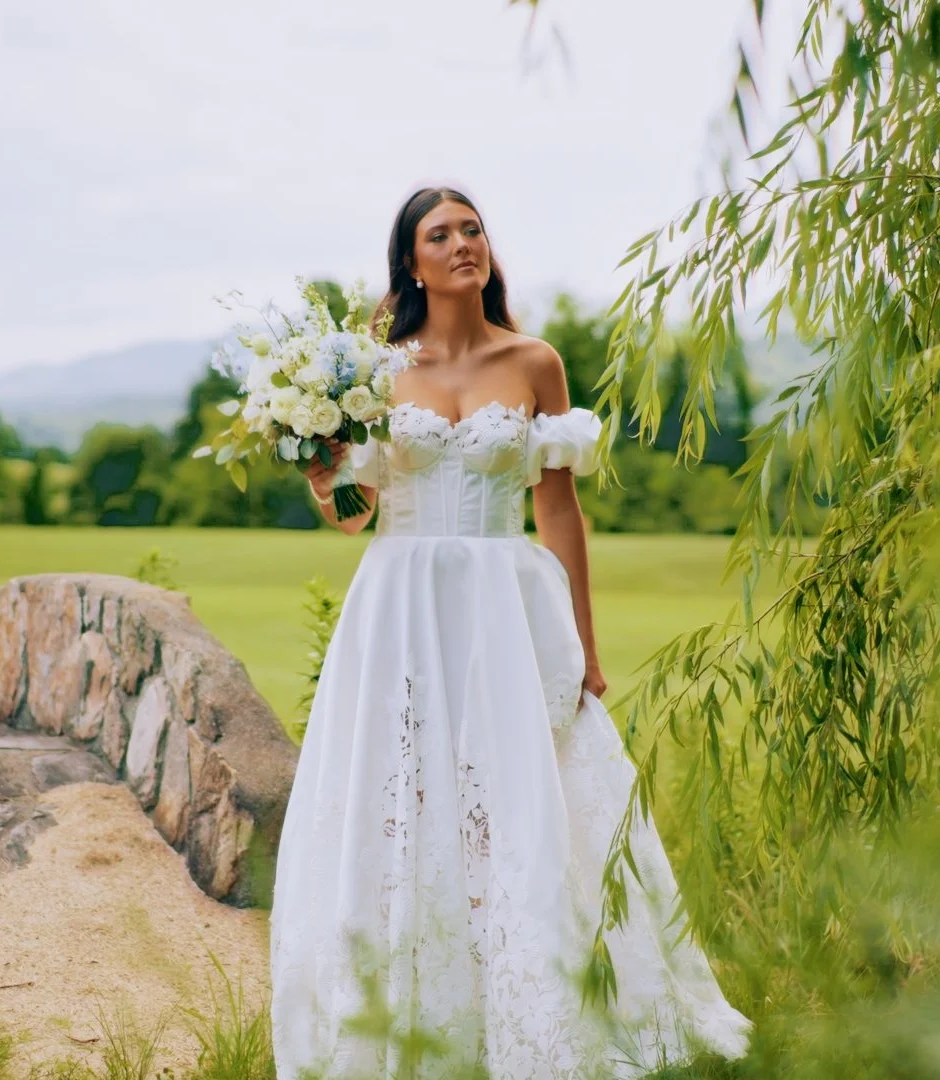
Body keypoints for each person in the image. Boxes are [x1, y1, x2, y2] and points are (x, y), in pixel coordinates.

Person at [268, 185, 751, 1079]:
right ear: (410, 262)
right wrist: (319, 465)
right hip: (401, 605)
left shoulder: (535, 362)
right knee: (404, 795)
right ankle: (404, 1013)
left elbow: (559, 511)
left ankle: (533, 1011)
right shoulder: (375, 369)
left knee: (521, 801)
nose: (463, 244)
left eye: (473, 229)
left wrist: (587, 645)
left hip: (505, 603)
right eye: (439, 235)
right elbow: (350, 516)